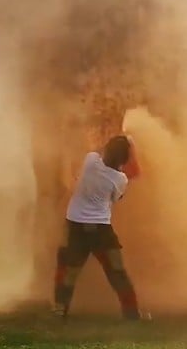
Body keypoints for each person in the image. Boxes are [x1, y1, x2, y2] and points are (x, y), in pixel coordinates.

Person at [53, 134, 144, 320]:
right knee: (117, 271)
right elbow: (116, 198)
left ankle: (60, 309)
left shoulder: (90, 160)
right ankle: (132, 314)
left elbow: (100, 149)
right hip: (100, 229)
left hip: (75, 225)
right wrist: (129, 144)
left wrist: (118, 139)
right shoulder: (119, 179)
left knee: (70, 270)